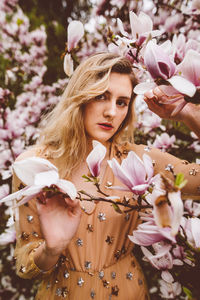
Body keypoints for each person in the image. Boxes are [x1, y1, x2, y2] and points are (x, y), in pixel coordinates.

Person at [12, 53, 200, 300]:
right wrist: (51, 249)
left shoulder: (140, 161)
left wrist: (187, 112)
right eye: (101, 96)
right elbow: (24, 267)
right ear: (80, 97)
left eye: (122, 102)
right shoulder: (34, 166)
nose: (112, 111)